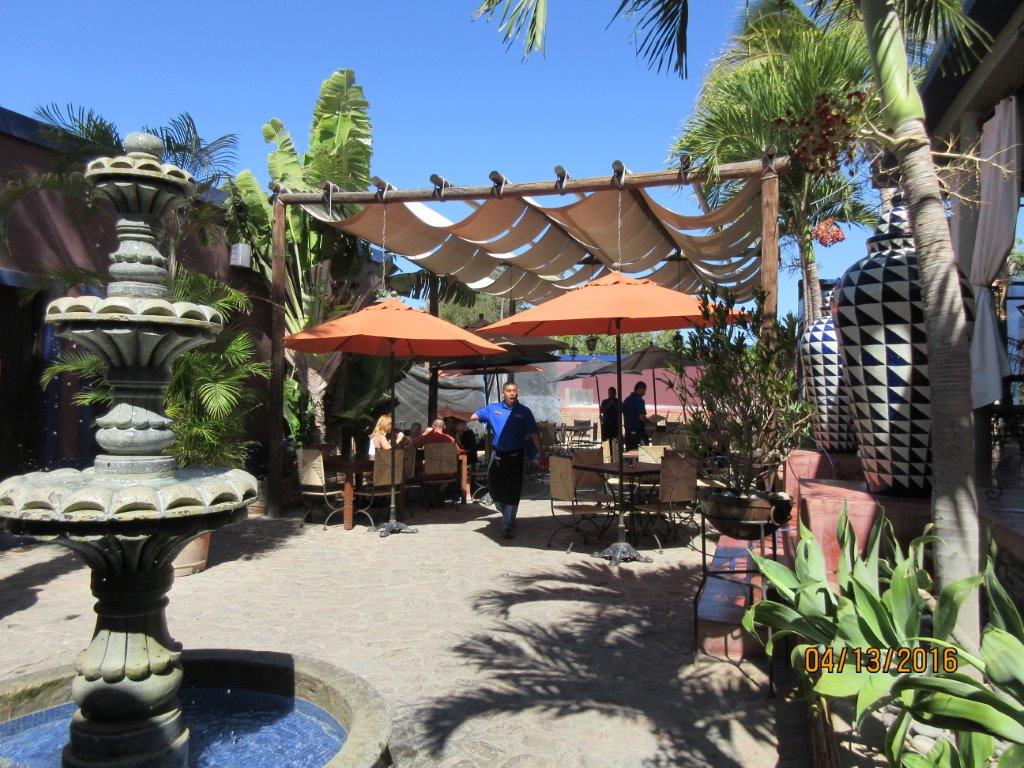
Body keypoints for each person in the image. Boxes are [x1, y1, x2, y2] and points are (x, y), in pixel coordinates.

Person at [471, 381, 547, 539]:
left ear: (517, 392)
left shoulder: (524, 412)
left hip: (516, 456)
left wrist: (541, 454)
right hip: (498, 455)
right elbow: (472, 416)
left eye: (514, 390)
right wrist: (452, 413)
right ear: (503, 393)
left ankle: (508, 524)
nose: (512, 393)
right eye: (509, 391)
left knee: (513, 490)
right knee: (493, 487)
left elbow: (534, 434)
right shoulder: (493, 409)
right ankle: (505, 511)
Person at [622, 382, 650, 451]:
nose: (644, 393)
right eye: (644, 390)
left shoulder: (627, 400)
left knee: (630, 454)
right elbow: (641, 417)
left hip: (628, 433)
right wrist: (650, 421)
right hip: (638, 434)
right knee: (644, 452)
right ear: (640, 389)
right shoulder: (639, 401)